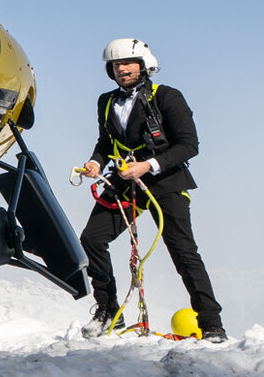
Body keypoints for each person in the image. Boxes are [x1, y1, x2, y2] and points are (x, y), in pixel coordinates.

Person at [78, 38, 227, 343]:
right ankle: (107, 311)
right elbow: (105, 144)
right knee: (91, 239)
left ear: (143, 65)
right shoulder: (105, 101)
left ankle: (212, 324)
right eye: (116, 65)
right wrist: (95, 162)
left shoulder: (168, 97)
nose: (122, 69)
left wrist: (148, 166)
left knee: (184, 253)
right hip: (124, 180)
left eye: (128, 63)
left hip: (165, 181)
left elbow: (189, 145)